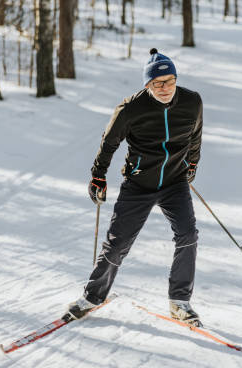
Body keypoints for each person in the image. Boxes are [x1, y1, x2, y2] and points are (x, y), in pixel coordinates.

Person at [67, 48, 203, 326]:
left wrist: (192, 164)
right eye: (158, 83)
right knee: (117, 245)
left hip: (174, 182)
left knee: (188, 235)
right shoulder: (130, 109)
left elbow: (196, 135)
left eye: (170, 80)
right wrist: (98, 176)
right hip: (139, 184)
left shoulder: (192, 102)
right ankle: (93, 296)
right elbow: (109, 142)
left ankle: (179, 302)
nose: (165, 88)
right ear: (147, 84)